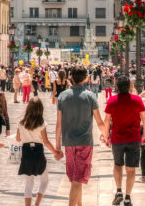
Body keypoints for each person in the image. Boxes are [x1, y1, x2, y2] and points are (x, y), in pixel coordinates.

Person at [55, 65, 106, 206]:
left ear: (70, 77)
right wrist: (106, 136)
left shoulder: (62, 96)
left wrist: (57, 146)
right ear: (86, 78)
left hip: (68, 142)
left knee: (74, 179)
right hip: (84, 142)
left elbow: (58, 124)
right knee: (77, 181)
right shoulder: (90, 96)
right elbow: (99, 121)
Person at [102, 75, 145, 206]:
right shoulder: (137, 100)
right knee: (131, 169)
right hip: (133, 138)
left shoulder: (112, 100)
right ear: (129, 87)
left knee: (118, 165)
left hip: (117, 138)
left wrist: (106, 136)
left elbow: (107, 120)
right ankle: (127, 197)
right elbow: (144, 118)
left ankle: (118, 191)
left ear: (117, 87)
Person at [16, 98, 61, 206]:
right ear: (40, 110)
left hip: (26, 153)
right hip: (38, 153)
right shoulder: (41, 123)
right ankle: (37, 203)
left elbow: (18, 139)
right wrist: (55, 152)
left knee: (28, 183)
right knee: (45, 180)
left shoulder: (21, 122)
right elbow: (45, 141)